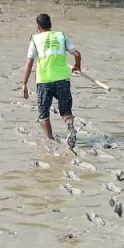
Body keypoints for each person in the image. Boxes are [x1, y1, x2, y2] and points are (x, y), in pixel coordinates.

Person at [21, 14, 82, 148]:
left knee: (43, 114)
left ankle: (50, 140)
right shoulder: (61, 36)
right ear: (50, 24)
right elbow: (77, 54)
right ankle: (69, 124)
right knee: (66, 111)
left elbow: (29, 63)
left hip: (44, 81)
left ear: (38, 27)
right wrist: (77, 66)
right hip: (62, 79)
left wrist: (24, 83)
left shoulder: (35, 39)